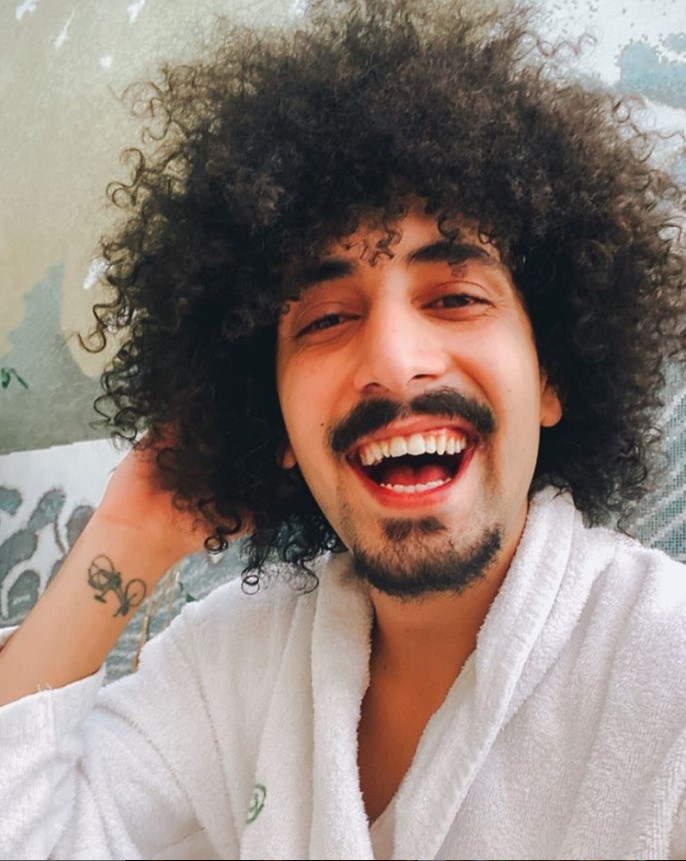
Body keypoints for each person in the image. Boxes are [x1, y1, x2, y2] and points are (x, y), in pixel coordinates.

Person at [1, 0, 686, 858]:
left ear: (552, 376)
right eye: (326, 318)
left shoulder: (666, 670)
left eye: (455, 297)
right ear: (275, 420)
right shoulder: (232, 664)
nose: (394, 361)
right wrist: (130, 535)